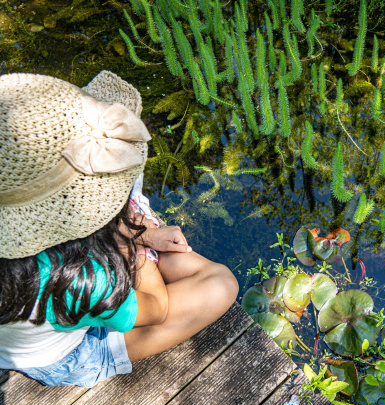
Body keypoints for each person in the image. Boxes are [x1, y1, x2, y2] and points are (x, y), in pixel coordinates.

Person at [0, 71, 239, 388]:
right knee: (220, 286)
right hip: (63, 355)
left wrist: (142, 232)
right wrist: (133, 244)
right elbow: (156, 308)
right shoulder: (83, 279)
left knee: (125, 164)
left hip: (24, 325)